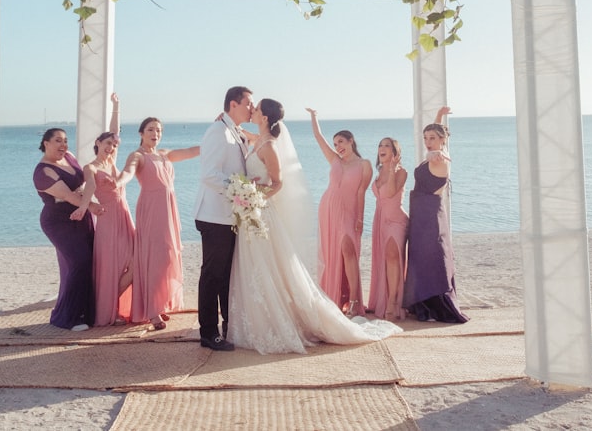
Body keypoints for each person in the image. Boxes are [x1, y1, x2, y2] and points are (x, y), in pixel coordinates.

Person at [228, 98, 402, 354]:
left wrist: (254, 193)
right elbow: (251, 138)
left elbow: (278, 183)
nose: (252, 111)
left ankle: (352, 302)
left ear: (265, 117)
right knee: (260, 265)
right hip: (313, 209)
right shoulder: (260, 141)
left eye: (256, 109)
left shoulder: (271, 147)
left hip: (270, 210)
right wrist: (231, 127)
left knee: (334, 254)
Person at [117, 114, 200, 331]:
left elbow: (192, 151)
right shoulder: (138, 155)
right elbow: (128, 172)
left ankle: (161, 303)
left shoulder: (164, 154)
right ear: (141, 134)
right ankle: (152, 311)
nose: (156, 134)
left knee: (167, 258)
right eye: (151, 130)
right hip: (152, 212)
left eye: (159, 130)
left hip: (169, 211)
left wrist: (217, 136)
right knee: (153, 260)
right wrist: (119, 181)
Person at [192, 85, 253, 351]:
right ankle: (208, 334)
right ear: (233, 104)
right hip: (214, 214)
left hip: (229, 216)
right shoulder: (217, 132)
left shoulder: (234, 131)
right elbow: (209, 175)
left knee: (226, 276)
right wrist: (240, 191)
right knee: (212, 275)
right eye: (248, 103)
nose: (252, 107)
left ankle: (228, 326)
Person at [402, 107, 470, 324]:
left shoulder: (439, 157)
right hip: (421, 212)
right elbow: (437, 139)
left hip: (429, 214)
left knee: (431, 255)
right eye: (425, 138)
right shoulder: (438, 151)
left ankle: (436, 305)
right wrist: (439, 116)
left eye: (432, 138)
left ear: (442, 140)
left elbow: (435, 153)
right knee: (420, 257)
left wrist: (437, 152)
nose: (427, 141)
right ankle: (423, 303)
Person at [33, 127, 104, 331]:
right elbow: (70, 196)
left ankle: (87, 312)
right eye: (57, 141)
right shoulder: (43, 171)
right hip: (58, 221)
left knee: (89, 261)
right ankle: (66, 318)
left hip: (81, 217)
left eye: (65, 140)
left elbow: (85, 184)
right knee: (79, 261)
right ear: (46, 143)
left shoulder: (70, 157)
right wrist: (92, 206)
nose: (63, 145)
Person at [305, 108, 373, 317]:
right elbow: (318, 137)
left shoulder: (365, 164)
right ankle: (335, 298)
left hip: (350, 211)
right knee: (333, 253)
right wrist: (314, 117)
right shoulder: (334, 160)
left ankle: (353, 301)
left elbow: (361, 192)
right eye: (335, 144)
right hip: (329, 209)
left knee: (349, 251)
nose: (338, 147)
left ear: (351, 141)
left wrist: (360, 218)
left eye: (341, 142)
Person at [77, 93, 136, 326]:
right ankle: (107, 308)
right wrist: (85, 207)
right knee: (110, 267)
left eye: (113, 144)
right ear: (97, 144)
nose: (111, 147)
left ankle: (113, 302)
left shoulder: (111, 162)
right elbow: (89, 187)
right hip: (108, 220)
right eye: (107, 143)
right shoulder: (90, 167)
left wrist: (117, 106)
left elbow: (114, 131)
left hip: (124, 215)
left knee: (135, 261)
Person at [368, 137, 409, 321]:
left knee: (393, 256)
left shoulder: (402, 172)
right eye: (380, 145)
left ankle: (393, 301)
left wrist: (392, 169)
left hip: (397, 221)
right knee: (384, 260)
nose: (382, 148)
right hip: (380, 220)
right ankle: (384, 299)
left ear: (395, 152)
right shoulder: (377, 174)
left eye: (387, 146)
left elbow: (391, 192)